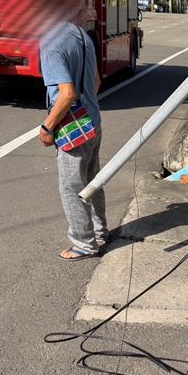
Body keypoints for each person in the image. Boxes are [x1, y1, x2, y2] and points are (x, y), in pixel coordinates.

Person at [38, 22, 108, 261]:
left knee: (71, 187)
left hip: (72, 129)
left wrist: (48, 126)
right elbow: (96, 81)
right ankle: (100, 232)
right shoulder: (79, 33)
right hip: (92, 120)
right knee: (92, 181)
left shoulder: (50, 43)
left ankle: (84, 243)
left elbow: (67, 93)